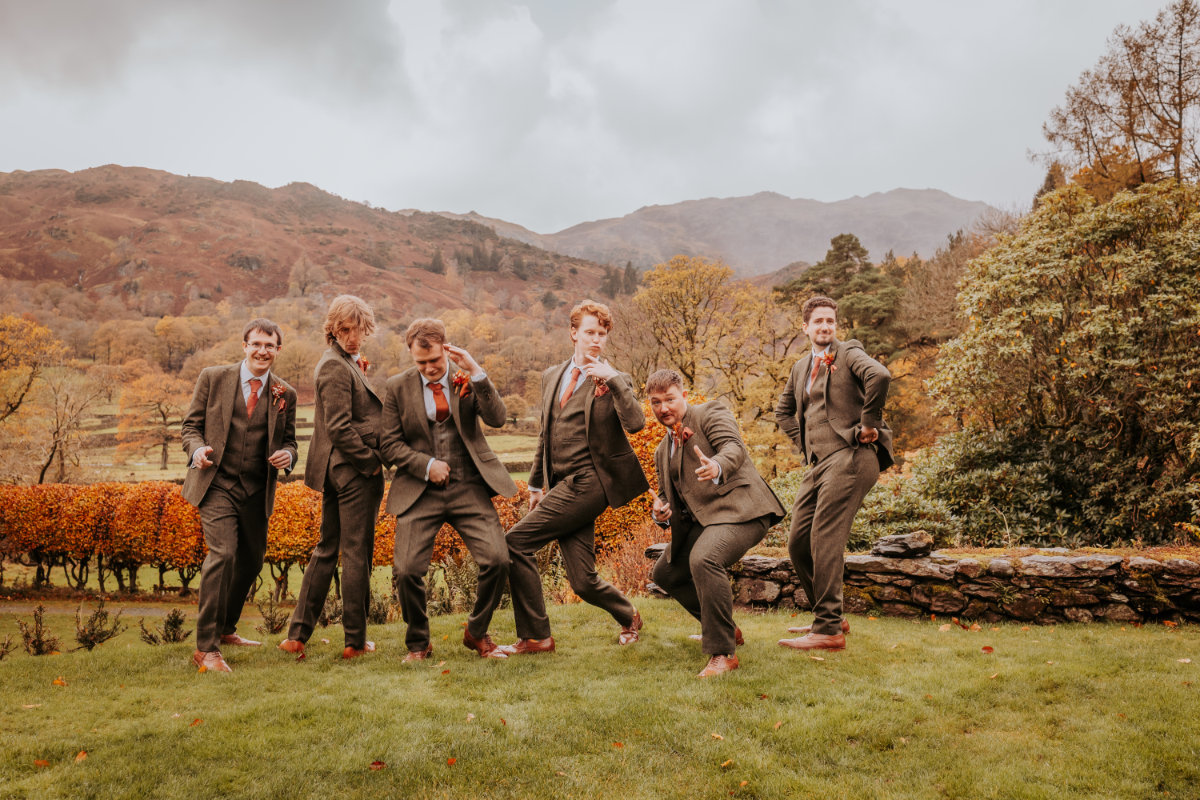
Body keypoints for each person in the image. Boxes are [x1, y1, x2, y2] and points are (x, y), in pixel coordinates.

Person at [501, 300, 649, 654]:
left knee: (514, 543)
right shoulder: (552, 376)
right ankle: (629, 616)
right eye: (590, 332)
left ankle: (537, 637)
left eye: (602, 334)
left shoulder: (616, 380)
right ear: (574, 334)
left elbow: (637, 423)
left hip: (592, 483)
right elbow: (544, 435)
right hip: (561, 485)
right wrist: (536, 484)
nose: (596, 340)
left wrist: (613, 383)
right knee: (582, 580)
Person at [380, 318, 516, 661]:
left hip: (469, 485)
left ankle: (477, 632)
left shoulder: (466, 380)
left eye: (434, 361)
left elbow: (498, 418)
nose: (428, 368)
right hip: (419, 491)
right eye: (420, 362)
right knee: (408, 570)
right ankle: (418, 644)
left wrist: (476, 372)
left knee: (498, 560)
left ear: (447, 351)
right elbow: (389, 444)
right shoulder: (397, 387)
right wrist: (426, 465)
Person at [773, 295, 893, 652]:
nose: (825, 327)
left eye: (830, 321)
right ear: (805, 327)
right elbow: (782, 412)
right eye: (818, 321)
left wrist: (869, 423)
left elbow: (880, 375)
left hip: (853, 455)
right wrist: (805, 443)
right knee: (797, 543)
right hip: (819, 462)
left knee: (825, 537)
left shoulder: (849, 353)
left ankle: (828, 630)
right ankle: (829, 615)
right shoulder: (798, 368)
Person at [646, 370, 784, 677]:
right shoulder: (660, 451)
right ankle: (726, 629)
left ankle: (723, 654)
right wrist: (660, 513)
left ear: (683, 395)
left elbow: (733, 448)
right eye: (656, 402)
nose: (663, 408)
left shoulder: (710, 412)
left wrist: (717, 464)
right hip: (709, 521)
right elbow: (669, 500)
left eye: (670, 399)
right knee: (665, 572)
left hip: (744, 508)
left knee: (705, 557)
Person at [181, 318, 298, 673]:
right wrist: (197, 449)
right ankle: (207, 648)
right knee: (224, 553)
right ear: (244, 346)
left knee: (250, 559)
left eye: (270, 346)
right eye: (257, 344)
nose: (263, 351)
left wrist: (288, 456)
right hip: (216, 483)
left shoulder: (285, 394)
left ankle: (227, 628)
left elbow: (291, 439)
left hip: (256, 489)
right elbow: (190, 426)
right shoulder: (213, 378)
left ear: (278, 351)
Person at [280, 295, 384, 660]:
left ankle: (296, 636)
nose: (354, 337)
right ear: (333, 329)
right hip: (352, 471)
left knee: (327, 550)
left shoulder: (344, 361)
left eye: (359, 330)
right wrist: (371, 463)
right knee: (357, 554)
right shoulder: (333, 367)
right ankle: (355, 642)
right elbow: (340, 428)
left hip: (337, 470)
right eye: (346, 330)